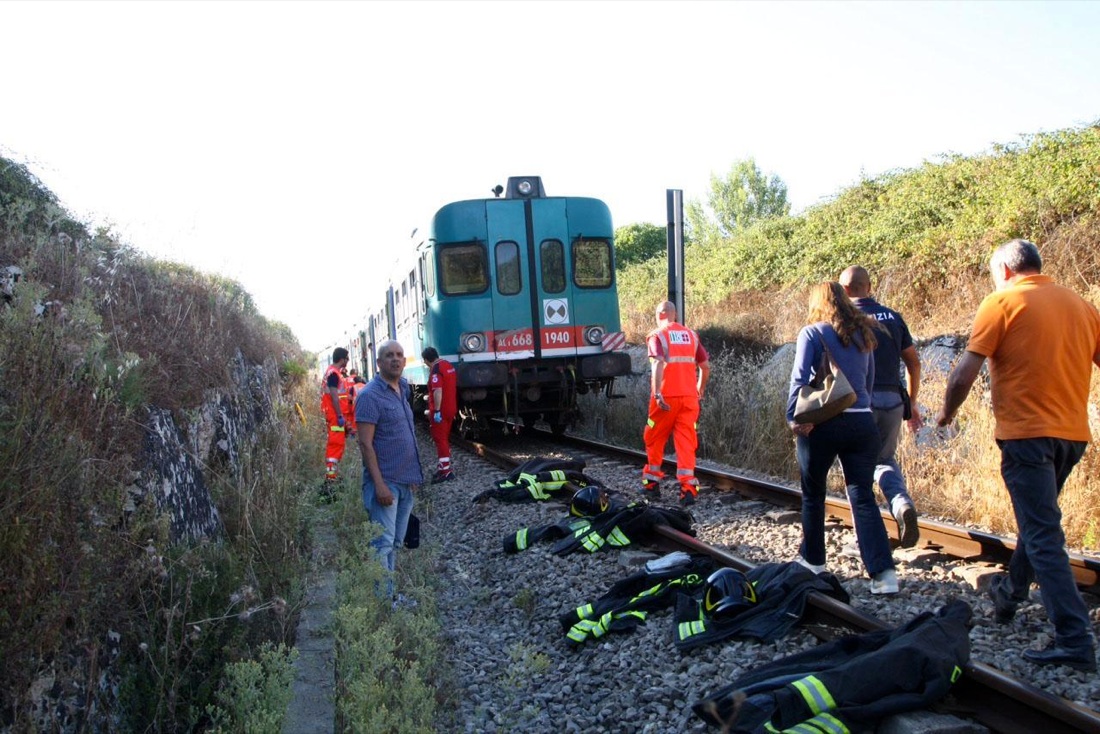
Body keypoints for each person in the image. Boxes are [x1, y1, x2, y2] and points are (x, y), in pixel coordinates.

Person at [935, 239, 1100, 672]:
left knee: (1044, 534)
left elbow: (965, 373)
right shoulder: (1081, 306)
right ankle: (1009, 595)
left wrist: (946, 413)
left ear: (1006, 271)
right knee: (1038, 519)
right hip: (1072, 437)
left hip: (1028, 435)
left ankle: (1074, 638)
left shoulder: (1003, 301)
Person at [787, 282, 898, 594]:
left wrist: (793, 417)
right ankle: (884, 575)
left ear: (818, 304)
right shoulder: (865, 335)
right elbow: (870, 382)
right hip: (862, 423)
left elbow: (799, 378)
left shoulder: (812, 333)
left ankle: (814, 563)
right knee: (862, 495)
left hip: (823, 424)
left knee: (813, 494)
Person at [839, 266, 922, 548]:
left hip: (861, 404)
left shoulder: (844, 320)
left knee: (857, 471)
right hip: (894, 400)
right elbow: (913, 362)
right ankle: (900, 503)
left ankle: (866, 538)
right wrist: (912, 403)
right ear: (869, 287)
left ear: (845, 291)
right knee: (884, 460)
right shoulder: (894, 318)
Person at [355, 340, 424, 605]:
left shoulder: (403, 388)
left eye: (399, 355)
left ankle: (390, 596)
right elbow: (365, 443)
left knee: (395, 543)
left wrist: (413, 477)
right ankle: (384, 604)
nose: (395, 359)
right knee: (382, 545)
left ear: (404, 362)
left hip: (406, 482)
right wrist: (380, 485)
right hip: (386, 484)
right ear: (379, 363)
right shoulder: (370, 396)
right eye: (389, 356)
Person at [641, 301, 711, 506]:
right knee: (686, 442)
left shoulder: (658, 335)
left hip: (666, 399)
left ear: (660, 314)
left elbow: (658, 363)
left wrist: (657, 394)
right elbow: (705, 366)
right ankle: (688, 488)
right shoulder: (691, 335)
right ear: (675, 314)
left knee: (654, 437)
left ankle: (652, 485)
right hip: (689, 399)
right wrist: (700, 388)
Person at [422, 346, 457, 482]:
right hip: (451, 408)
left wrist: (436, 411)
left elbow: (437, 391)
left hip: (440, 410)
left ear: (426, 359)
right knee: (445, 439)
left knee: (440, 439)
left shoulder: (436, 370)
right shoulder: (448, 365)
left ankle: (446, 471)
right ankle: (443, 467)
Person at [320, 347, 350, 485]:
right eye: (347, 358)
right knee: (335, 447)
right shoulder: (333, 374)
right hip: (334, 418)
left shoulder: (333, 372)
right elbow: (334, 396)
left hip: (333, 416)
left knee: (337, 446)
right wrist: (339, 415)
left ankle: (333, 476)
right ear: (342, 359)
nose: (348, 361)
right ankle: (330, 481)